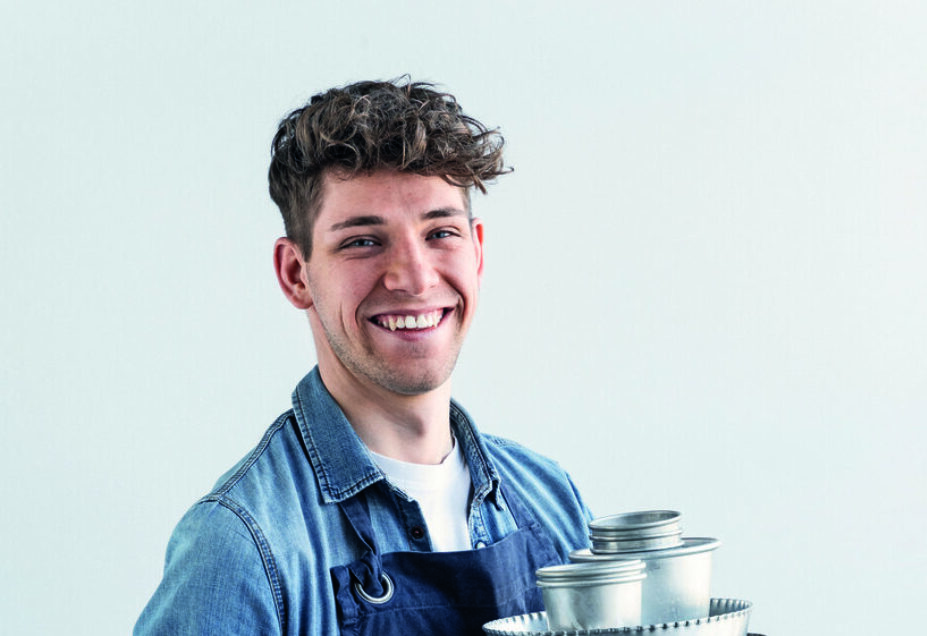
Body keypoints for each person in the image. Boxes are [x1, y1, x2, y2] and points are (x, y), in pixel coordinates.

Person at [135, 78, 592, 635]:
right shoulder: (239, 546)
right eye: (363, 241)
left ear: (477, 252)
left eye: (441, 233)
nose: (415, 278)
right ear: (296, 274)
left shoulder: (551, 499)